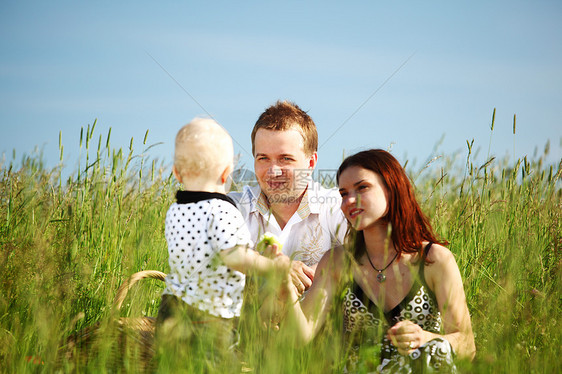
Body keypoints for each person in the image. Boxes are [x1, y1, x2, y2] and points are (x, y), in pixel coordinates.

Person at [281, 149, 476, 372]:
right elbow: (300, 337)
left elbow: (467, 345)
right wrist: (286, 287)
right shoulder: (338, 261)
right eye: (344, 194)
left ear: (392, 189)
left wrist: (425, 338)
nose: (349, 201)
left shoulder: (433, 260)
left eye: (362, 188)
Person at [155, 118, 290, 371]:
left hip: (170, 309)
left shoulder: (174, 210)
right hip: (208, 316)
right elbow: (234, 257)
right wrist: (271, 267)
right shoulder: (222, 210)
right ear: (226, 173)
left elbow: (209, 251)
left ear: (176, 172)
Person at [229, 100, 347, 294]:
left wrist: (310, 275)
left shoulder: (335, 206)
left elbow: (367, 252)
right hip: (246, 323)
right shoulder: (234, 208)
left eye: (285, 159)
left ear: (311, 162)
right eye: (263, 158)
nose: (273, 171)